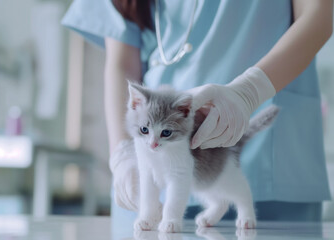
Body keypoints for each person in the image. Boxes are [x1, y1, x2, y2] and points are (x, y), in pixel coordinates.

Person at [62, 0, 333, 222]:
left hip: (272, 170)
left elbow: (319, 14)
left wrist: (251, 90)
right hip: (151, 177)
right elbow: (121, 61)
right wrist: (121, 153)